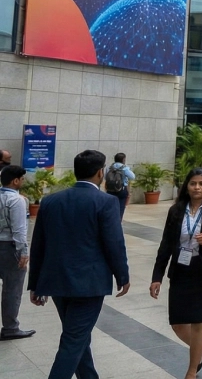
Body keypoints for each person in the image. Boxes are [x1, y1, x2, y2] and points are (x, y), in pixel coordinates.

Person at [27, 150, 130, 379]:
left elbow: (38, 245)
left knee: (77, 336)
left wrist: (35, 283)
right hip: (89, 285)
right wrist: (122, 275)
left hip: (57, 281)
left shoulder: (51, 201)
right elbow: (114, 243)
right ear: (100, 172)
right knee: (74, 340)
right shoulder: (106, 202)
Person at [149, 168, 202, 379]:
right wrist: (156, 277)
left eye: (201, 184)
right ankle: (200, 346)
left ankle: (191, 371)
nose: (197, 187)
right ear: (186, 186)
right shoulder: (176, 210)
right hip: (181, 271)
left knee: (199, 321)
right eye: (193, 183)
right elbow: (166, 245)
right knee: (178, 324)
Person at [0, 165, 33, 340]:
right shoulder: (16, 200)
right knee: (12, 290)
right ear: (15, 181)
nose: (23, 181)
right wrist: (24, 252)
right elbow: (19, 230)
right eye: (22, 179)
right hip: (9, 247)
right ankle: (10, 328)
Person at [105, 153, 135, 218]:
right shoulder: (124, 168)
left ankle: (111, 220)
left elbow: (105, 177)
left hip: (110, 190)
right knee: (120, 207)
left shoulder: (109, 167)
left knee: (111, 207)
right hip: (121, 189)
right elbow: (132, 176)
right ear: (123, 159)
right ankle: (118, 221)